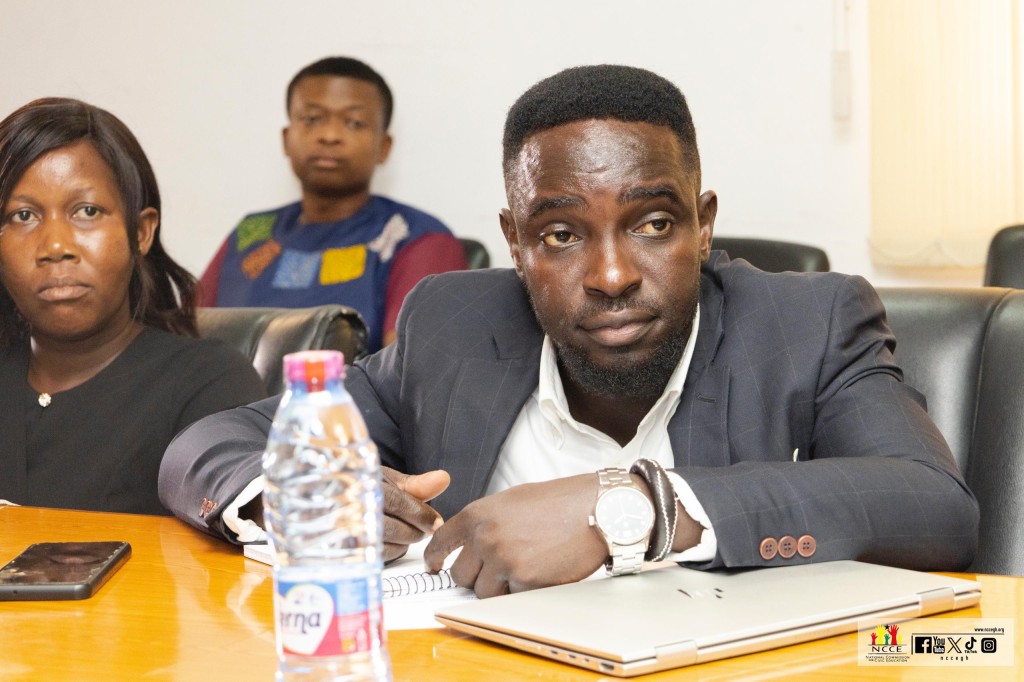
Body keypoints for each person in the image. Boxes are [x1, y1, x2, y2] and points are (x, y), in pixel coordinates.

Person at [160, 65, 979, 596]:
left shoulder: (807, 324)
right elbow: (212, 444)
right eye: (560, 235)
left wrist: (630, 508)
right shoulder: (453, 328)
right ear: (515, 245)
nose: (612, 275)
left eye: (653, 224)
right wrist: (299, 498)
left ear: (703, 226)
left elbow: (933, 504)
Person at [0, 98, 267, 515]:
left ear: (140, 232)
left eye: (86, 211)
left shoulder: (209, 384)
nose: (55, 246)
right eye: (23, 216)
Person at [199, 56, 467, 352]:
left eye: (354, 123)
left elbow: (415, 369)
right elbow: (183, 341)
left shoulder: (417, 238)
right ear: (286, 139)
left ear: (384, 147)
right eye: (312, 119)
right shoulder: (250, 234)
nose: (329, 136)